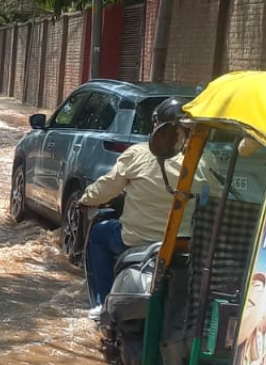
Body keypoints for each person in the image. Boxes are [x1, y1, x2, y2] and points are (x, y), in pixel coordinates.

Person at [80, 97, 193, 318]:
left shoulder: (139, 153)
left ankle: (103, 304)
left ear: (158, 126)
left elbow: (106, 188)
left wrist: (85, 199)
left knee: (99, 233)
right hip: (183, 246)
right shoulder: (203, 160)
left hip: (135, 241)